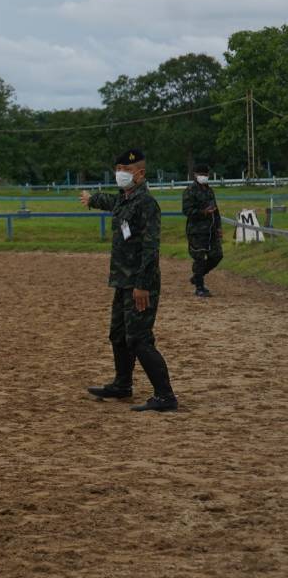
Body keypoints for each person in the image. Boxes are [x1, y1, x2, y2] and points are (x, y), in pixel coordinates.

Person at [80, 148, 179, 413]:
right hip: (122, 280)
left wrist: (143, 284)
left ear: (140, 174)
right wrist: (91, 199)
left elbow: (151, 248)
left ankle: (165, 396)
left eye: (126, 170)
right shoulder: (126, 199)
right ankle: (122, 384)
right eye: (118, 169)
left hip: (139, 282)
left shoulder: (146, 203)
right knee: (118, 334)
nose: (120, 174)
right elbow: (111, 201)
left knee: (139, 339)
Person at [182, 163, 223, 297]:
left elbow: (216, 211)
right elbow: (187, 211)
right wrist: (203, 212)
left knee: (217, 256)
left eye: (205, 174)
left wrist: (219, 227)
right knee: (199, 258)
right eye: (201, 174)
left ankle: (197, 276)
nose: (203, 177)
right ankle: (199, 287)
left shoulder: (210, 191)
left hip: (211, 231)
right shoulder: (190, 191)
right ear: (195, 175)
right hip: (196, 231)